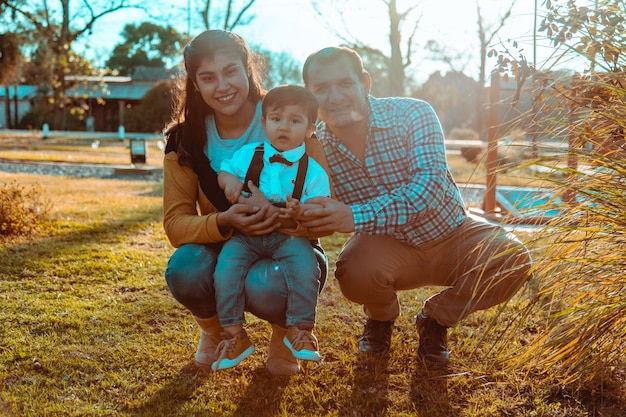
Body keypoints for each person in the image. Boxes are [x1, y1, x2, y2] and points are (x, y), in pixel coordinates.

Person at [299, 46, 534, 367]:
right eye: (321, 88)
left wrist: (352, 216)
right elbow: (316, 204)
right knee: (353, 271)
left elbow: (429, 188)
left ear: (365, 84)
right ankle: (380, 320)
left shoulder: (413, 113)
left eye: (344, 84)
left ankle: (435, 320)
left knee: (513, 259)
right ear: (310, 96)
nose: (335, 96)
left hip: (452, 232)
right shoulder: (315, 147)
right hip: (387, 245)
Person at [162, 30, 330, 376]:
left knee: (266, 282)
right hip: (228, 244)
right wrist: (226, 221)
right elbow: (176, 223)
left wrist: (284, 215)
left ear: (247, 70)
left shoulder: (288, 113)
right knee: (184, 268)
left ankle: (284, 337)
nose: (222, 85)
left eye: (230, 71)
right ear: (194, 84)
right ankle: (217, 334)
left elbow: (323, 207)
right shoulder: (185, 140)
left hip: (290, 244)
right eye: (208, 78)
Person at [212, 85, 331, 371]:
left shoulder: (312, 169)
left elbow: (320, 204)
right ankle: (234, 334)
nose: (283, 127)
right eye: (276, 119)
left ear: (310, 129)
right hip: (247, 234)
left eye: (295, 120)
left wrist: (302, 211)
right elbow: (225, 170)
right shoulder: (249, 153)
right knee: (225, 267)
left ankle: (300, 331)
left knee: (305, 268)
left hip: (288, 236)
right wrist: (229, 183)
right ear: (264, 123)